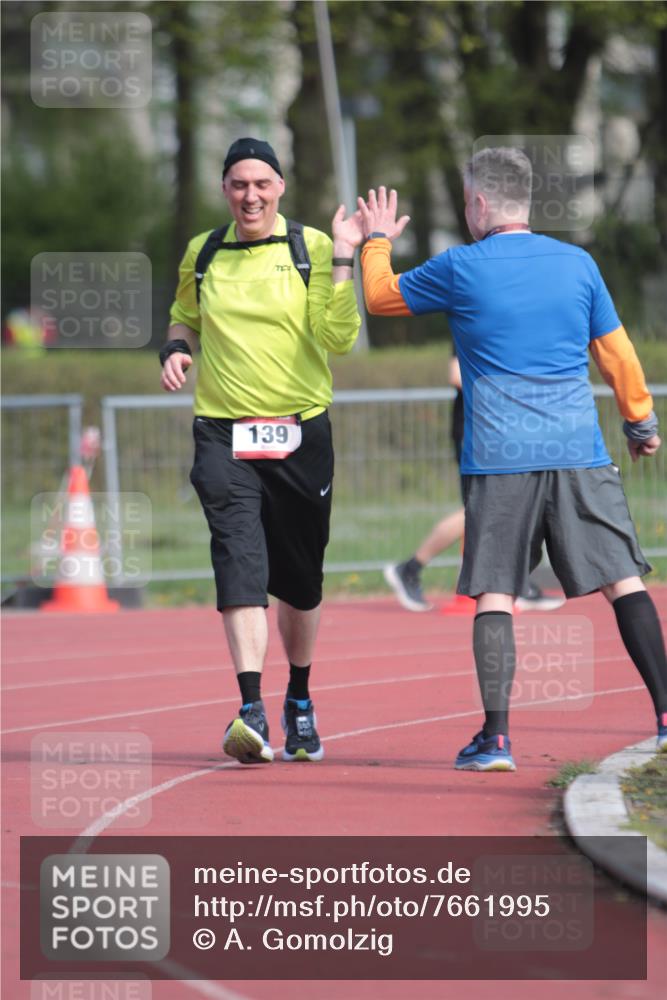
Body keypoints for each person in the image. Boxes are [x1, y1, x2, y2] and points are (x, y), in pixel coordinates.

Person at [351, 146, 666, 769]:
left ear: (478, 203)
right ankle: (663, 714)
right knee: (622, 580)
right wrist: (640, 421)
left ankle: (495, 738)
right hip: (579, 451)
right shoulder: (578, 264)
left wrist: (377, 240)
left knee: (496, 593)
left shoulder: (461, 266)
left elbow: (382, 299)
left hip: (499, 456)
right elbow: (617, 354)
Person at [160, 137, 361, 764]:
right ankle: (250, 707)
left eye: (262, 184)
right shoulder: (205, 250)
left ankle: (298, 699)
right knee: (238, 561)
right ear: (225, 190)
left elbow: (339, 338)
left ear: (280, 188)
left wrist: (348, 259)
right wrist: (174, 348)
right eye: (239, 184)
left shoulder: (312, 248)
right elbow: (180, 314)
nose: (250, 195)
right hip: (223, 431)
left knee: (300, 584)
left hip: (300, 432)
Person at [385, 352, 565, 613]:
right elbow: (456, 375)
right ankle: (411, 568)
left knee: (507, 506)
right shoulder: (472, 316)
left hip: (502, 430)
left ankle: (515, 582)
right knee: (480, 509)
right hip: (477, 431)